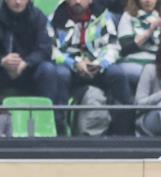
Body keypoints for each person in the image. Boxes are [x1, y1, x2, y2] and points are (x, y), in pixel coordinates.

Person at [0, 0, 65, 131]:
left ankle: (50, 123)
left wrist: (27, 63)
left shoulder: (38, 17)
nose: (17, 2)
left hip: (29, 72)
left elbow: (45, 49)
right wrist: (1, 61)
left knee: (48, 70)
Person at [50, 0, 135, 134]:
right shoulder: (55, 18)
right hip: (70, 66)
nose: (77, 1)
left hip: (97, 65)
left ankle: (123, 132)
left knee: (117, 73)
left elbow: (113, 46)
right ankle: (60, 130)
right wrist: (74, 63)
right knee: (60, 74)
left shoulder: (103, 17)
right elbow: (52, 50)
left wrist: (100, 63)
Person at [117, 0, 161, 88]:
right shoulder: (128, 15)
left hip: (155, 62)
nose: (148, 1)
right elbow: (125, 47)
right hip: (132, 60)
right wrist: (150, 31)